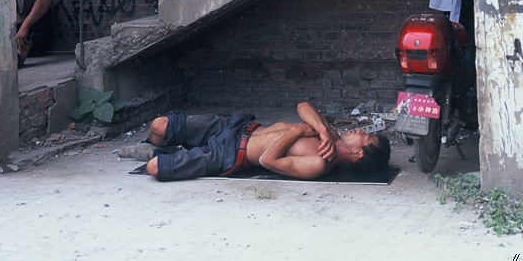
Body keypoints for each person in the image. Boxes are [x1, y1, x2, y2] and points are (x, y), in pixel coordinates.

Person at [129, 101, 391, 182]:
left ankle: (158, 155)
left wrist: (298, 131)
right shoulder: (329, 135)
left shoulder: (319, 164)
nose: (359, 129)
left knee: (154, 168)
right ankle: (156, 147)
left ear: (358, 153)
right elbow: (303, 105)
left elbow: (268, 160)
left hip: (229, 154)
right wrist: (321, 129)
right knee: (158, 126)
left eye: (365, 135)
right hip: (237, 127)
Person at [15, 0, 53, 66]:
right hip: (3, 31)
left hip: (27, 33)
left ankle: (21, 53)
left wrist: (25, 26)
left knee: (43, 6)